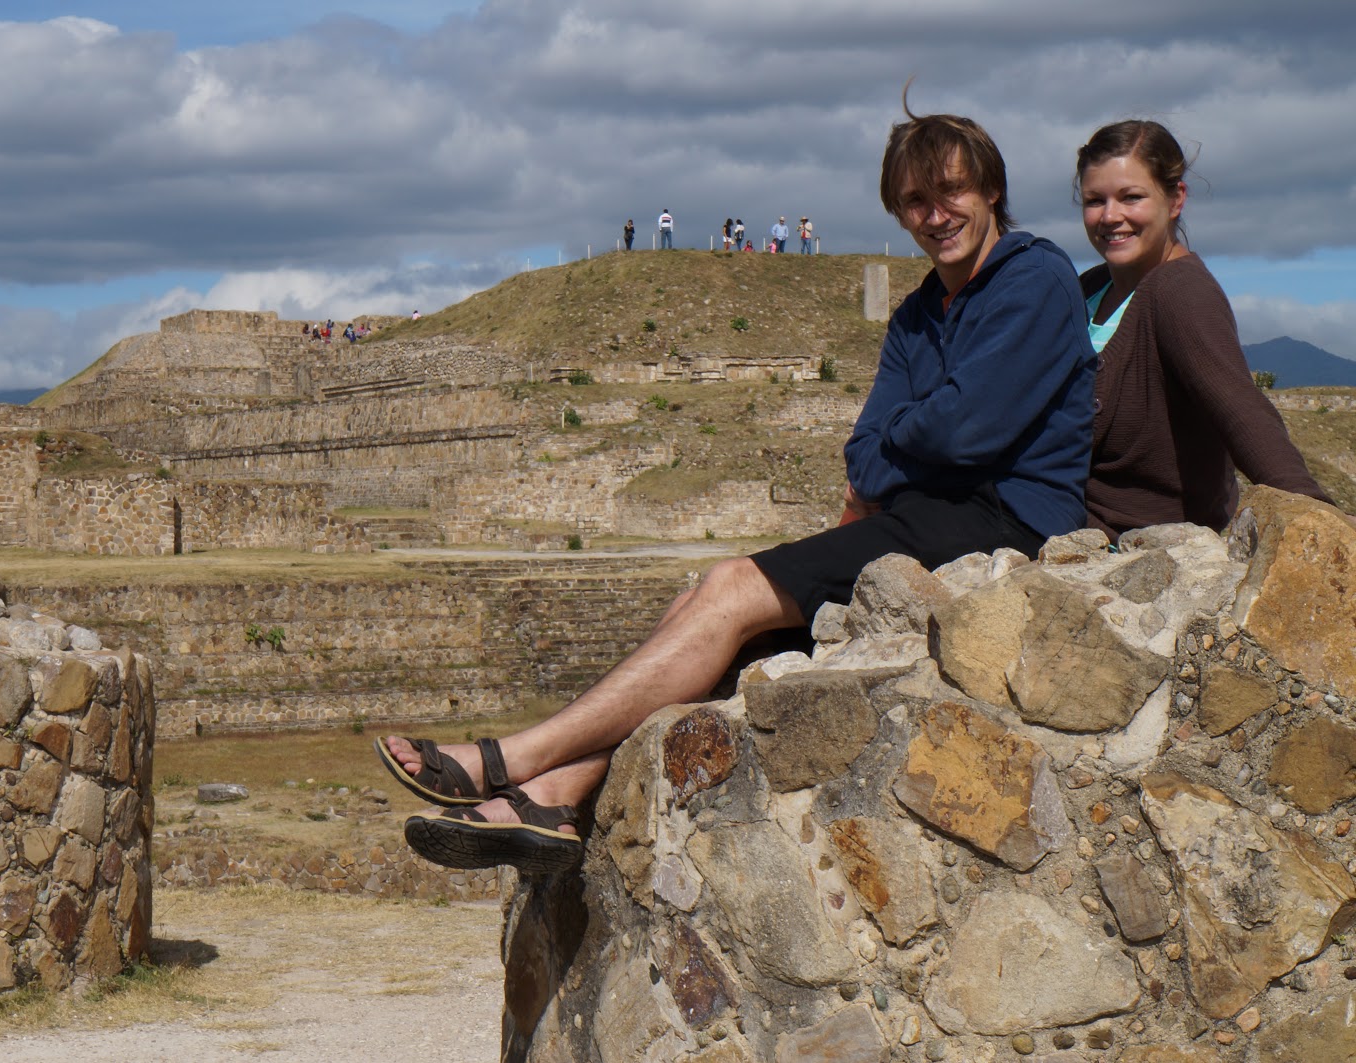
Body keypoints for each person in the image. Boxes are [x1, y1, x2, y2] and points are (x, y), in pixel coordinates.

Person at [379, 106, 1097, 875]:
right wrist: (922, 436)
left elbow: (964, 432)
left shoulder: (1033, 278)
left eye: (951, 191)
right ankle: (552, 796)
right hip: (930, 515)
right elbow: (866, 458)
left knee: (729, 589)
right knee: (704, 608)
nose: (935, 215)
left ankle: (509, 758)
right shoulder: (918, 314)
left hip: (1010, 522)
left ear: (991, 190)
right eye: (915, 201)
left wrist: (914, 434)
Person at [1074, 120, 1336, 536]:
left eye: (1131, 197)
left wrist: (1316, 520)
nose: (1110, 216)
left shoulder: (1180, 291)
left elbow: (1241, 411)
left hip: (1135, 546)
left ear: (1175, 198)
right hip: (1063, 524)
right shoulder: (1088, 288)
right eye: (1094, 200)